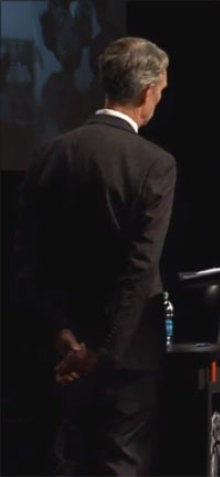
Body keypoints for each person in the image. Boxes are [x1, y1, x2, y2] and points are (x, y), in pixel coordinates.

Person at [13, 36, 175, 475]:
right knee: (120, 463)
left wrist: (61, 333)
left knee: (65, 459)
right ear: (146, 92)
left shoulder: (49, 153)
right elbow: (139, 268)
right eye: (160, 91)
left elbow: (28, 259)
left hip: (58, 346)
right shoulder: (153, 162)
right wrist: (102, 350)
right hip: (125, 350)